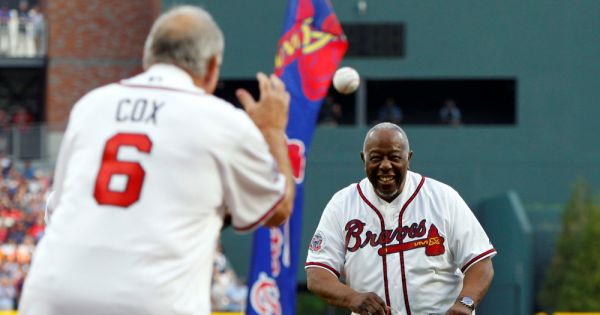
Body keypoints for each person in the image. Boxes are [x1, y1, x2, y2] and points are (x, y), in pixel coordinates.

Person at [19, 5, 295, 315]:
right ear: (212, 66)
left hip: (51, 292)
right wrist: (272, 131)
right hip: (150, 300)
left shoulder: (91, 105)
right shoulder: (221, 119)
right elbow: (277, 208)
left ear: (148, 56)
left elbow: (58, 210)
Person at [305, 123, 495, 315]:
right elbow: (317, 275)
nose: (385, 165)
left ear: (408, 158)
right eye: (376, 158)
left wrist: (465, 303)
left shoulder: (442, 197)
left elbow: (480, 264)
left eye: (395, 157)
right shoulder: (342, 204)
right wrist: (353, 297)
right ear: (364, 160)